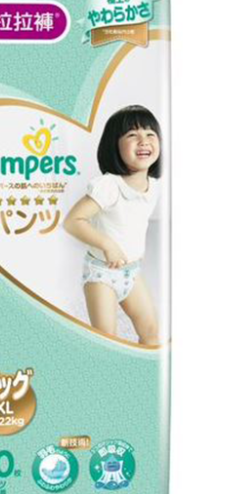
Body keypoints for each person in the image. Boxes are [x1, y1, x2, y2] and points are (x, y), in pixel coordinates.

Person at [63, 105, 162, 344]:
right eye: (132, 135)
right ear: (114, 146)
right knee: (107, 338)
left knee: (151, 332)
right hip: (101, 273)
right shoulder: (109, 186)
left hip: (131, 272)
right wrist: (107, 244)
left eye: (150, 134)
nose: (144, 140)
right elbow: (72, 221)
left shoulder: (153, 186)